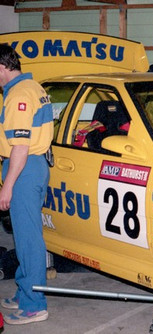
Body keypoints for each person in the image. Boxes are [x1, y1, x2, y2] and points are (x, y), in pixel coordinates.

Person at [0, 44, 53, 325]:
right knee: (23, 236)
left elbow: (19, 146)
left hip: (23, 168)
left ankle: (34, 305)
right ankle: (24, 292)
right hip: (34, 166)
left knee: (30, 240)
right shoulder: (33, 87)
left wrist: (7, 186)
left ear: (1, 68)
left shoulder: (18, 94)